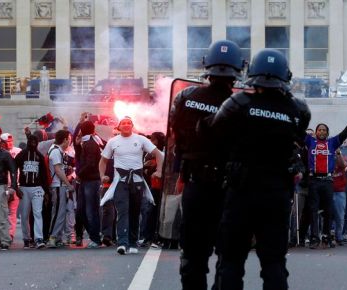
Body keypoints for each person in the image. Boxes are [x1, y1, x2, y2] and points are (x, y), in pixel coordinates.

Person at [210, 49, 311, 290]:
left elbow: (216, 135)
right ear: (285, 76)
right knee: (274, 263)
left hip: (241, 192)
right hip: (276, 193)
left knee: (231, 261)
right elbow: (296, 139)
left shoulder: (237, 103)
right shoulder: (298, 109)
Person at [169, 39, 244, 290]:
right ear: (238, 68)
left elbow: (177, 139)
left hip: (195, 185)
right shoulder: (242, 105)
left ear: (206, 66)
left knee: (192, 254)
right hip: (230, 189)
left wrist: (180, 173)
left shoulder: (185, 98)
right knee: (228, 255)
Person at [99, 116, 163, 255]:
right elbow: (103, 161)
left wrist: (159, 171)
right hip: (120, 181)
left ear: (132, 125)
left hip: (137, 180)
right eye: (124, 123)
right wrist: (102, 175)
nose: (126, 125)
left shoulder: (141, 139)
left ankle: (133, 243)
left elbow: (158, 154)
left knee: (135, 211)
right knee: (122, 211)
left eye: (129, 123)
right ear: (119, 126)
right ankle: (122, 243)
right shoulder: (113, 141)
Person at [305, 110, 347, 249]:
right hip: (313, 180)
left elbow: (346, 131)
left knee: (328, 210)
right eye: (319, 130)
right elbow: (297, 129)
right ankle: (314, 238)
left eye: (324, 130)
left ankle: (326, 236)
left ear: (327, 132)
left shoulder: (332, 143)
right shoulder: (309, 141)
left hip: (327, 181)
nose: (322, 132)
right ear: (316, 132)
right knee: (313, 210)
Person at [16, 135, 49, 249]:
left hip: (37, 188)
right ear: (28, 142)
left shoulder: (39, 156)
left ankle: (38, 238)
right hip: (24, 188)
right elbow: (13, 168)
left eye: (35, 141)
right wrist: (15, 187)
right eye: (31, 141)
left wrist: (46, 191)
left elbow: (44, 175)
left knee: (37, 213)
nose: (33, 143)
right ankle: (26, 238)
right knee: (24, 215)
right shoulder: (22, 155)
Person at [75, 121, 103, 248]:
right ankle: (94, 236)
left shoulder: (90, 144)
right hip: (87, 180)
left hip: (91, 180)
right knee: (83, 210)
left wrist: (79, 174)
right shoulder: (88, 143)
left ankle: (95, 238)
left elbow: (90, 163)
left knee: (90, 210)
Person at [46, 130, 75, 248]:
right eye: (69, 138)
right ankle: (52, 237)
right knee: (58, 212)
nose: (69, 141)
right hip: (58, 186)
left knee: (60, 212)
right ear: (65, 139)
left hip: (59, 185)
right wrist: (68, 184)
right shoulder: (56, 151)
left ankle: (57, 237)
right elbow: (58, 170)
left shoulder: (55, 149)